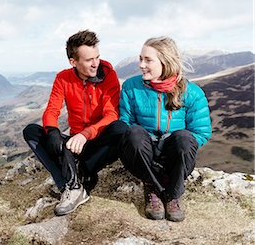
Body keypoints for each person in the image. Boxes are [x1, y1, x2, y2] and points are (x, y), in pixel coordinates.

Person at [23, 30, 127, 216]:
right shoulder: (63, 78)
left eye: (97, 57)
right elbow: (52, 110)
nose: (96, 63)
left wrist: (85, 134)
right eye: (89, 60)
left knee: (120, 128)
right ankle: (71, 186)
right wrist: (53, 131)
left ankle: (79, 175)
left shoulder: (108, 75)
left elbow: (111, 114)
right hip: (74, 144)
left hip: (97, 141)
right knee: (32, 131)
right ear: (73, 62)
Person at [119, 36, 212, 222]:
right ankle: (152, 187)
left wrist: (178, 148)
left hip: (173, 155)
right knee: (133, 133)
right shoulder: (131, 87)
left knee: (185, 138)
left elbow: (201, 132)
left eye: (148, 60)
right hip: (143, 153)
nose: (141, 65)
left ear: (165, 62)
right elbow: (125, 123)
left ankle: (173, 194)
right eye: (140, 59)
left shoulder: (192, 92)